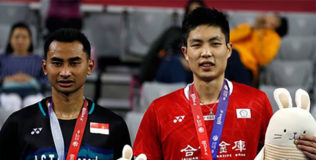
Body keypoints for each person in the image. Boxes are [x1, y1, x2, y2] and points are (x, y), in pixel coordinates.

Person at [132, 8, 316, 160]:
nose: (206, 53)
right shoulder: (160, 110)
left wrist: (307, 153)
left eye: (215, 44)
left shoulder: (257, 103)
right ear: (186, 53)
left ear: (228, 50)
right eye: (197, 45)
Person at [0, 28, 131, 159]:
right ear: (45, 67)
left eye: (74, 63)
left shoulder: (114, 125)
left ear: (90, 67)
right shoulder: (18, 124)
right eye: (57, 63)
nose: (65, 72)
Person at [0, 22, 47, 137]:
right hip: (7, 94)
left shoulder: (38, 59)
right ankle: (7, 139)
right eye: (17, 37)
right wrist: (7, 79)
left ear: (31, 40)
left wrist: (30, 80)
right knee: (12, 101)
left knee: (33, 103)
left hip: (33, 94)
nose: (20, 41)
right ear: (10, 39)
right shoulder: (1, 58)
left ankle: (32, 141)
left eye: (24, 37)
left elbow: (46, 81)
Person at [138, 0, 206, 84]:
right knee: (176, 64)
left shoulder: (208, 38)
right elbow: (164, 54)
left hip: (192, 74)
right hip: (169, 70)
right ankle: (179, 95)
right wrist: (181, 60)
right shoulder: (174, 33)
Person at [229, 13, 288, 86]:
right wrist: (252, 27)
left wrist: (258, 33)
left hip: (246, 67)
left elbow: (263, 59)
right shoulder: (246, 27)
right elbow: (227, 38)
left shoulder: (274, 38)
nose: (267, 16)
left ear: (276, 24)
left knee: (232, 55)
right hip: (228, 58)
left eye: (273, 17)